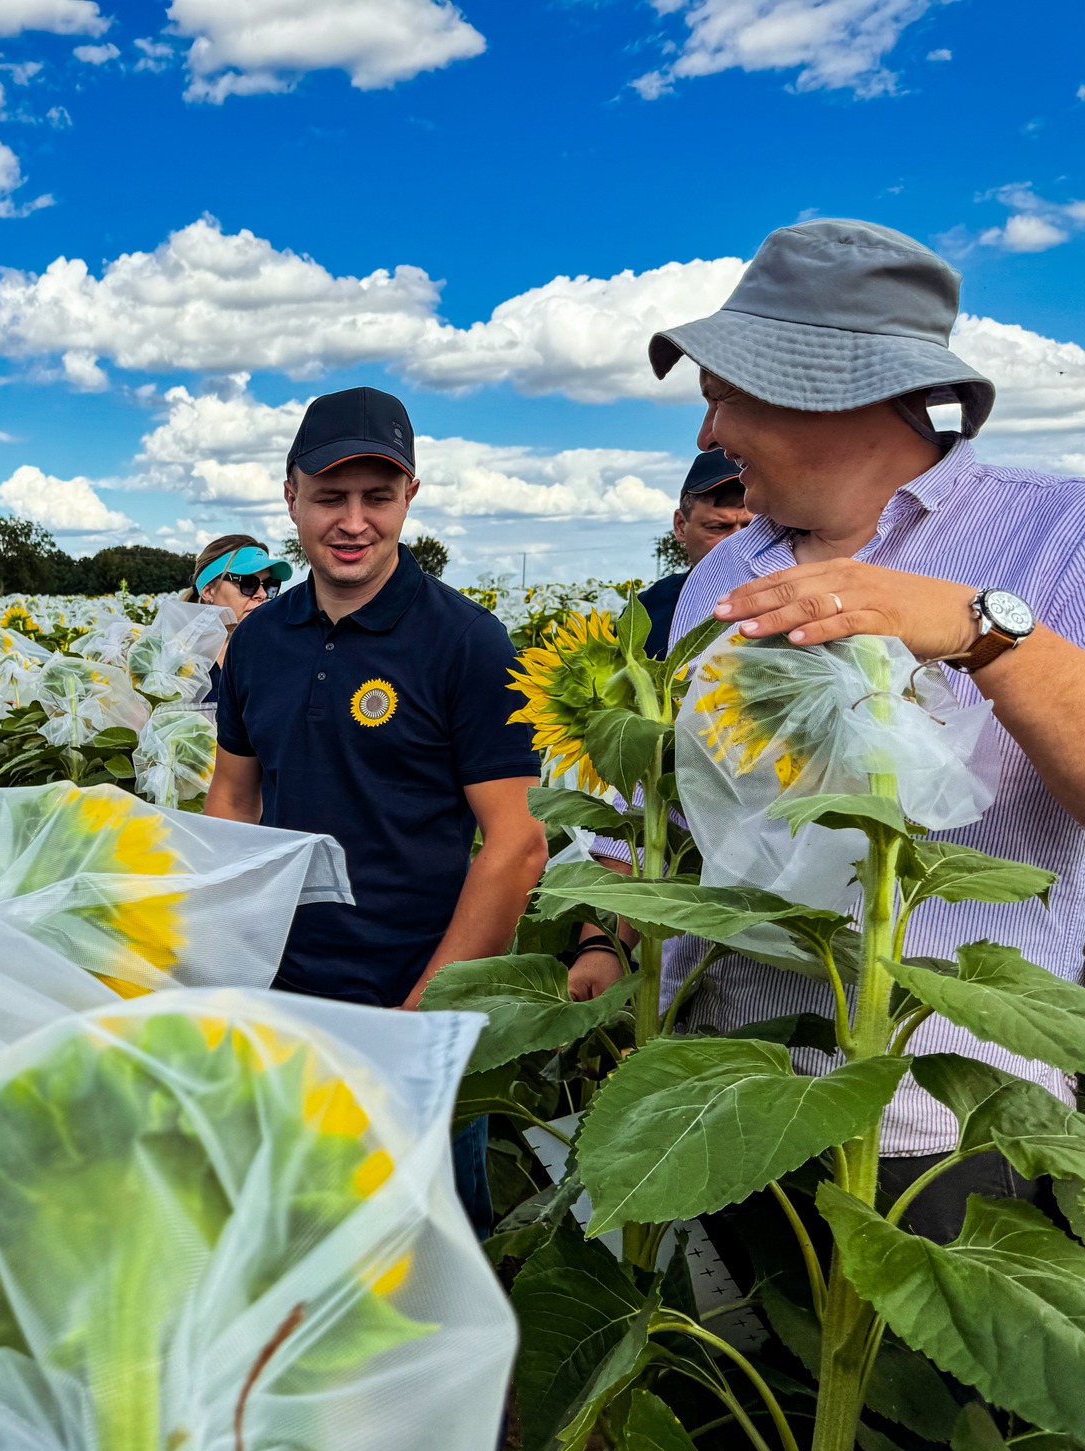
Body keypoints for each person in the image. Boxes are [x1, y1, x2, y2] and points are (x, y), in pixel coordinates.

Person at [573, 217, 1085, 1243]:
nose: (704, 436)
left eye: (720, 395)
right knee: (737, 1393)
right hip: (726, 1086)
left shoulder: (1055, 532)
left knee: (917, 1402)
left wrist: (972, 629)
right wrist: (608, 941)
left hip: (937, 1123)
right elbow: (677, 810)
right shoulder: (723, 573)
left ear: (829, 385)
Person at [205, 385, 548, 1011]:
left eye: (379, 498)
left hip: (411, 990)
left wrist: (418, 1015)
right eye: (330, 498)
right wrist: (225, 951)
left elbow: (517, 841)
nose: (354, 523)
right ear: (291, 498)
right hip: (271, 987)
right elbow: (232, 798)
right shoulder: (257, 641)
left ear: (409, 497)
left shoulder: (466, 641)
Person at [637, 448, 749, 656]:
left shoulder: (798, 600)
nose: (737, 541)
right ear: (680, 526)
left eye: (751, 527)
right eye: (718, 527)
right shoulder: (646, 614)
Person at [182, 533, 291, 700]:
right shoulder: (174, 653)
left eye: (270, 585)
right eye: (248, 583)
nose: (262, 594)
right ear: (208, 590)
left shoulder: (277, 653)